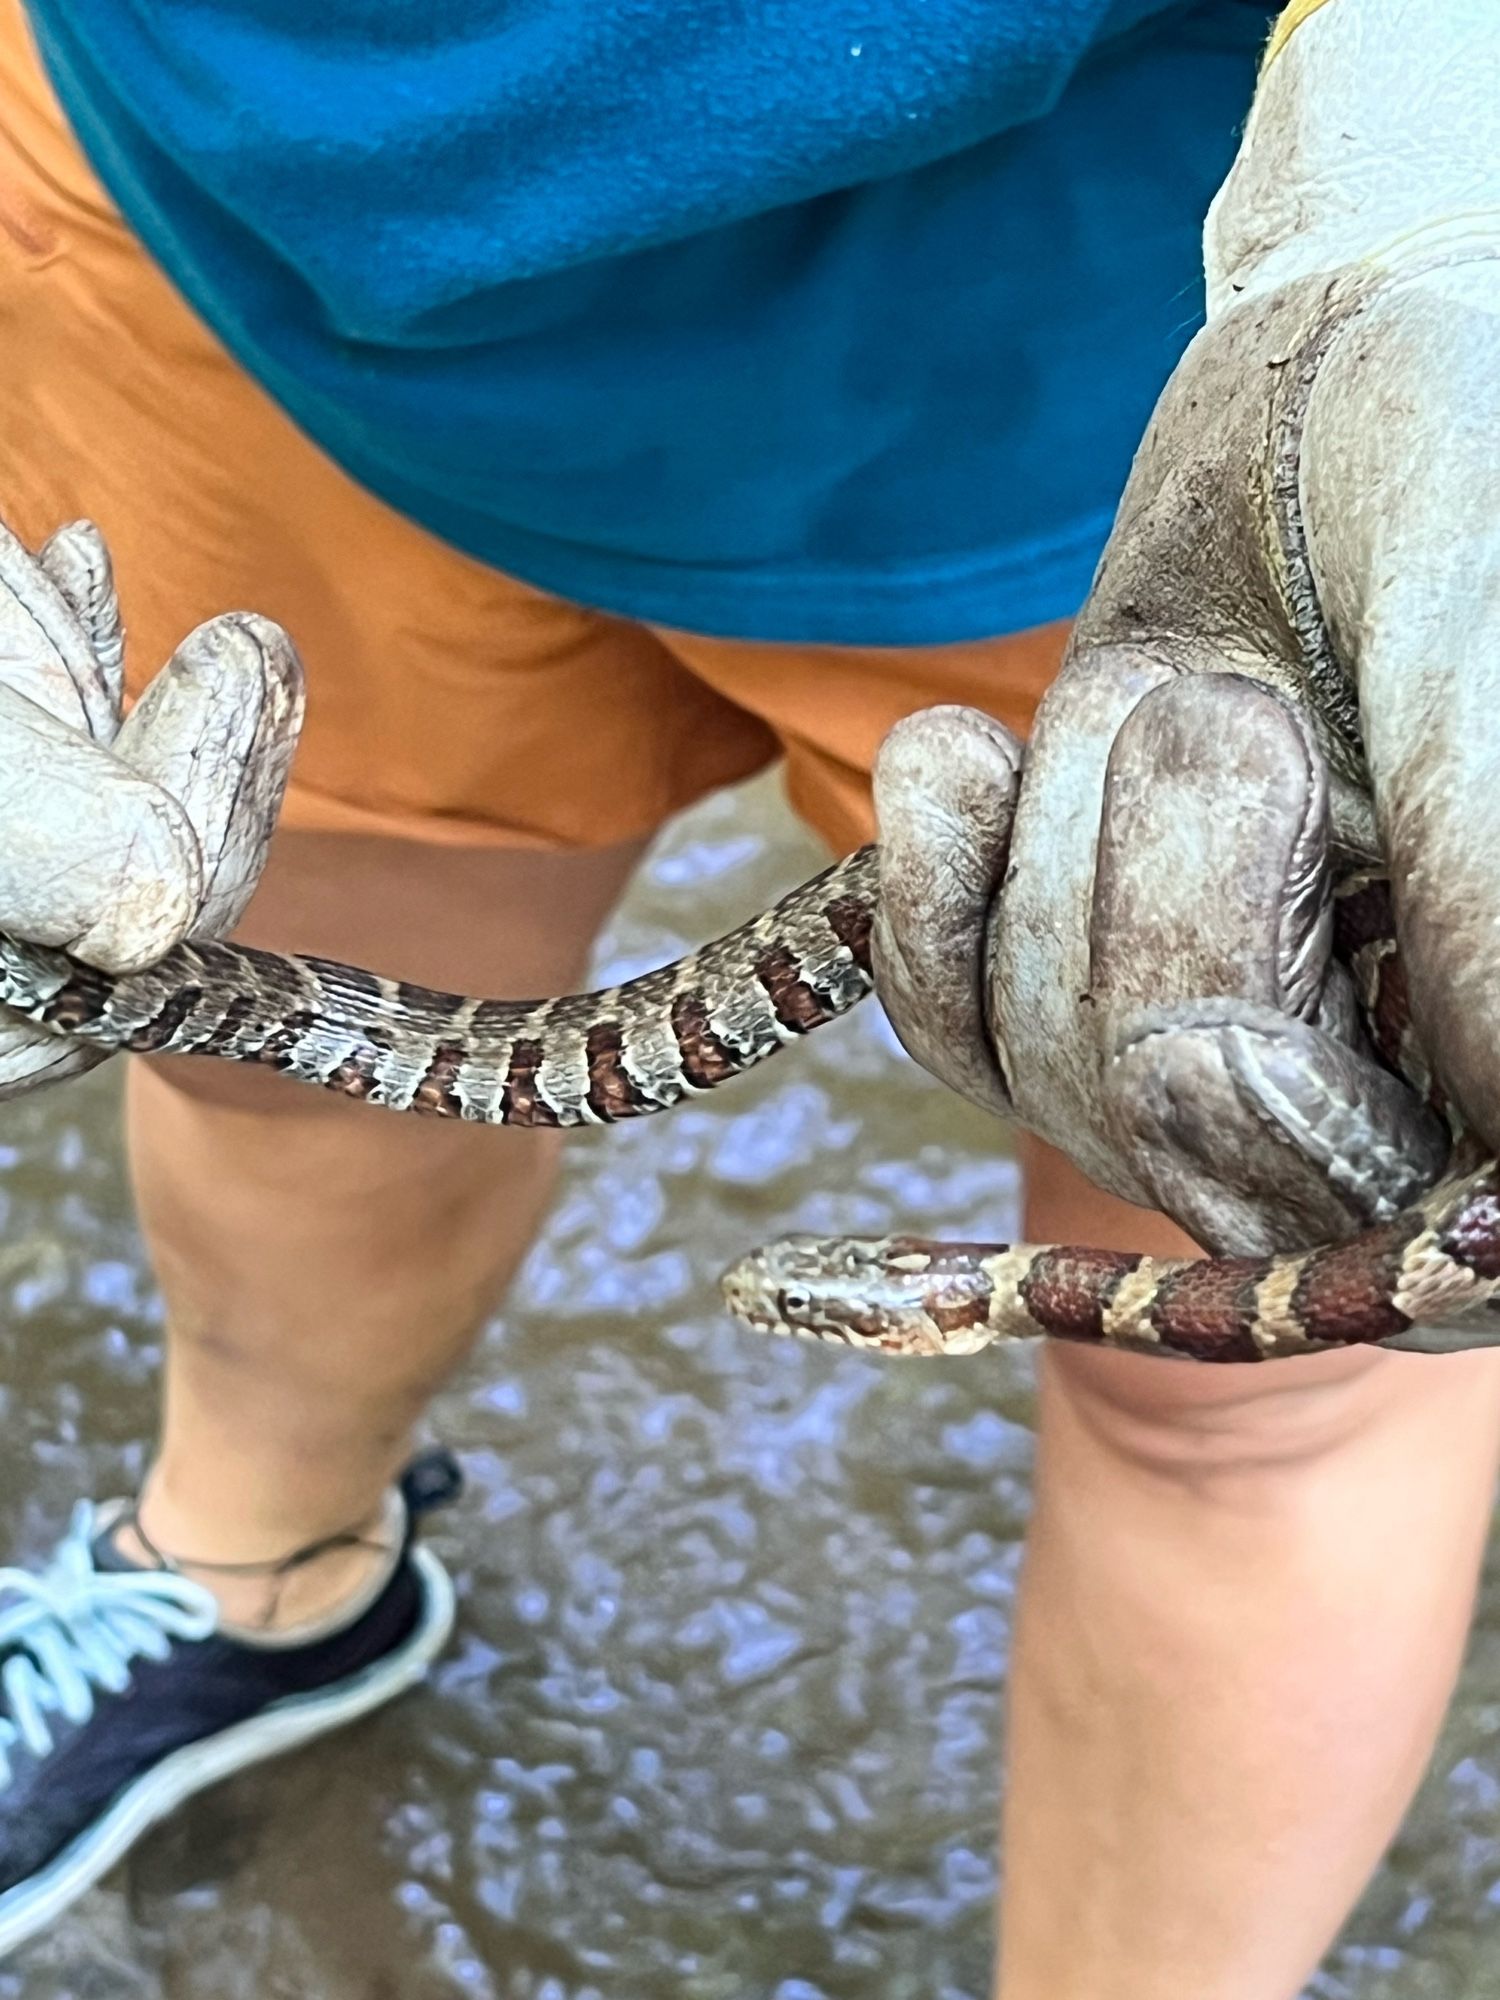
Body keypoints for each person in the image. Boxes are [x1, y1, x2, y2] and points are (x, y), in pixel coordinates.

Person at [0, 0, 1493, 1993]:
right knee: (273, 1032)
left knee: (1249, 1347)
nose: (811, 1308)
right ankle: (258, 1568)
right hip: (246, 238)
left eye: (838, 1300)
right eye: (843, 1297)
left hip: (1154, 390)